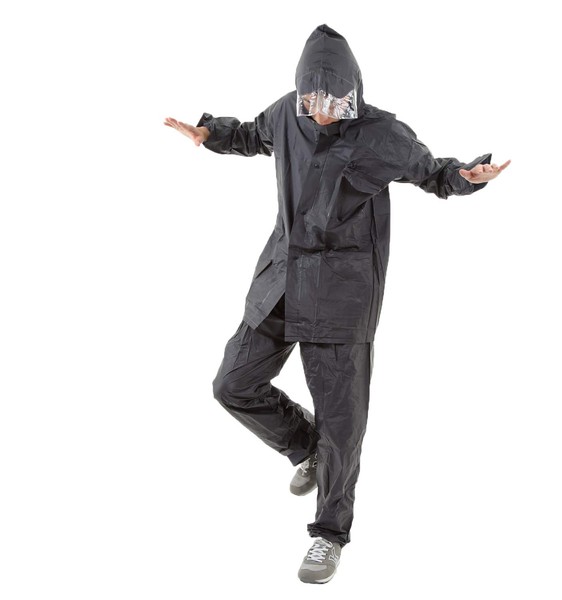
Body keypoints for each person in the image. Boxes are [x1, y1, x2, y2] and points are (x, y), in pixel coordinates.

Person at [164, 23, 510, 585]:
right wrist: (211, 134)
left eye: (334, 101)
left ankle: (329, 533)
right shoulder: (287, 113)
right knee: (232, 384)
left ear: (352, 92)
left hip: (343, 293)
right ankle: (306, 446)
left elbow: (434, 172)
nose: (322, 111)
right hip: (281, 278)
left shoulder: (384, 134)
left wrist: (469, 177)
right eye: (312, 99)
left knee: (343, 424)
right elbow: (252, 134)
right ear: (301, 91)